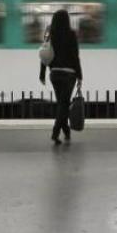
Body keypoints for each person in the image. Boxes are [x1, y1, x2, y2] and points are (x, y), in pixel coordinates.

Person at [39, 9, 83, 145]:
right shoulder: (71, 35)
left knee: (62, 104)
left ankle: (67, 132)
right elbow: (75, 56)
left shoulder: (50, 34)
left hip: (55, 74)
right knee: (63, 104)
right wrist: (80, 75)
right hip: (69, 74)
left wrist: (42, 73)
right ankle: (55, 132)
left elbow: (44, 54)